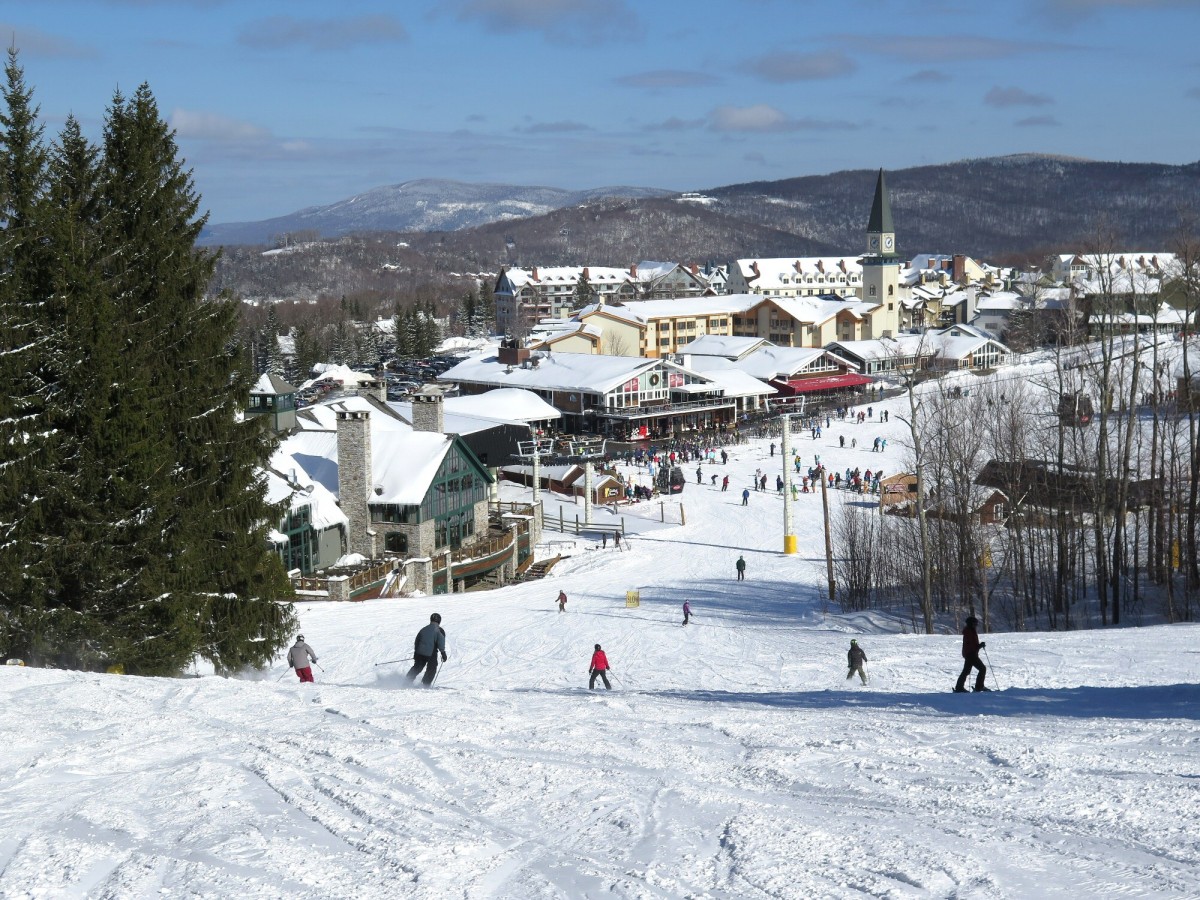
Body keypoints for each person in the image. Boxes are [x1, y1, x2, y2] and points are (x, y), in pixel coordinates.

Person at [407, 613, 448, 687]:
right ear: (439, 621)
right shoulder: (439, 630)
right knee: (432, 667)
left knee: (417, 667)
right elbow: (441, 642)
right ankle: (425, 684)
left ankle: (407, 680)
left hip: (419, 652)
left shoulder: (423, 629)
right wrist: (443, 653)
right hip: (431, 653)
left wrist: (416, 653)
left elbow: (417, 641)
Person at [954, 615, 989, 692]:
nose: (976, 626)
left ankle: (959, 687)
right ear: (971, 624)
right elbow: (971, 646)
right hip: (971, 654)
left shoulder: (970, 631)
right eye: (975, 624)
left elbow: (973, 645)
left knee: (966, 671)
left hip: (970, 654)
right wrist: (979, 646)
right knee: (982, 669)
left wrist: (979, 645)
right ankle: (979, 687)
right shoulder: (969, 632)